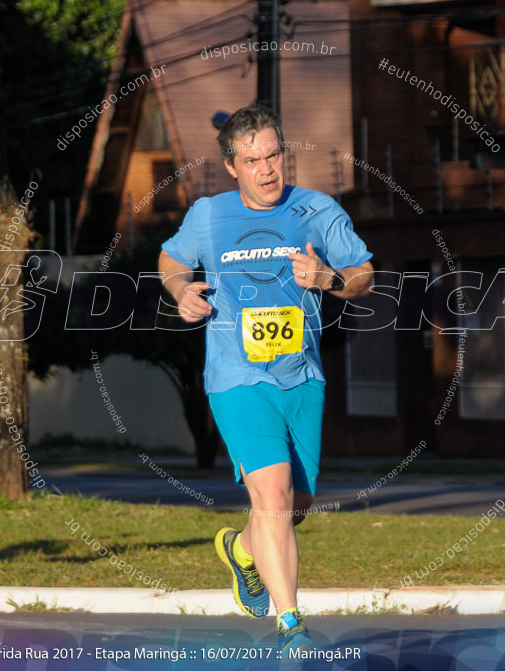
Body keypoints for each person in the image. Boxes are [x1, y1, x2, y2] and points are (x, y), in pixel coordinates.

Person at [158, 105, 373, 653]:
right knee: (273, 495)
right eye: (252, 160)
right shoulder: (209, 215)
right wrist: (181, 290)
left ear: (285, 153)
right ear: (233, 167)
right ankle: (291, 627)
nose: (266, 169)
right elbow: (170, 259)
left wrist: (329, 279)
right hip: (236, 377)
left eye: (273, 155)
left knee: (291, 507)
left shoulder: (317, 209)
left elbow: (363, 276)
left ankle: (241, 550)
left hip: (302, 378)